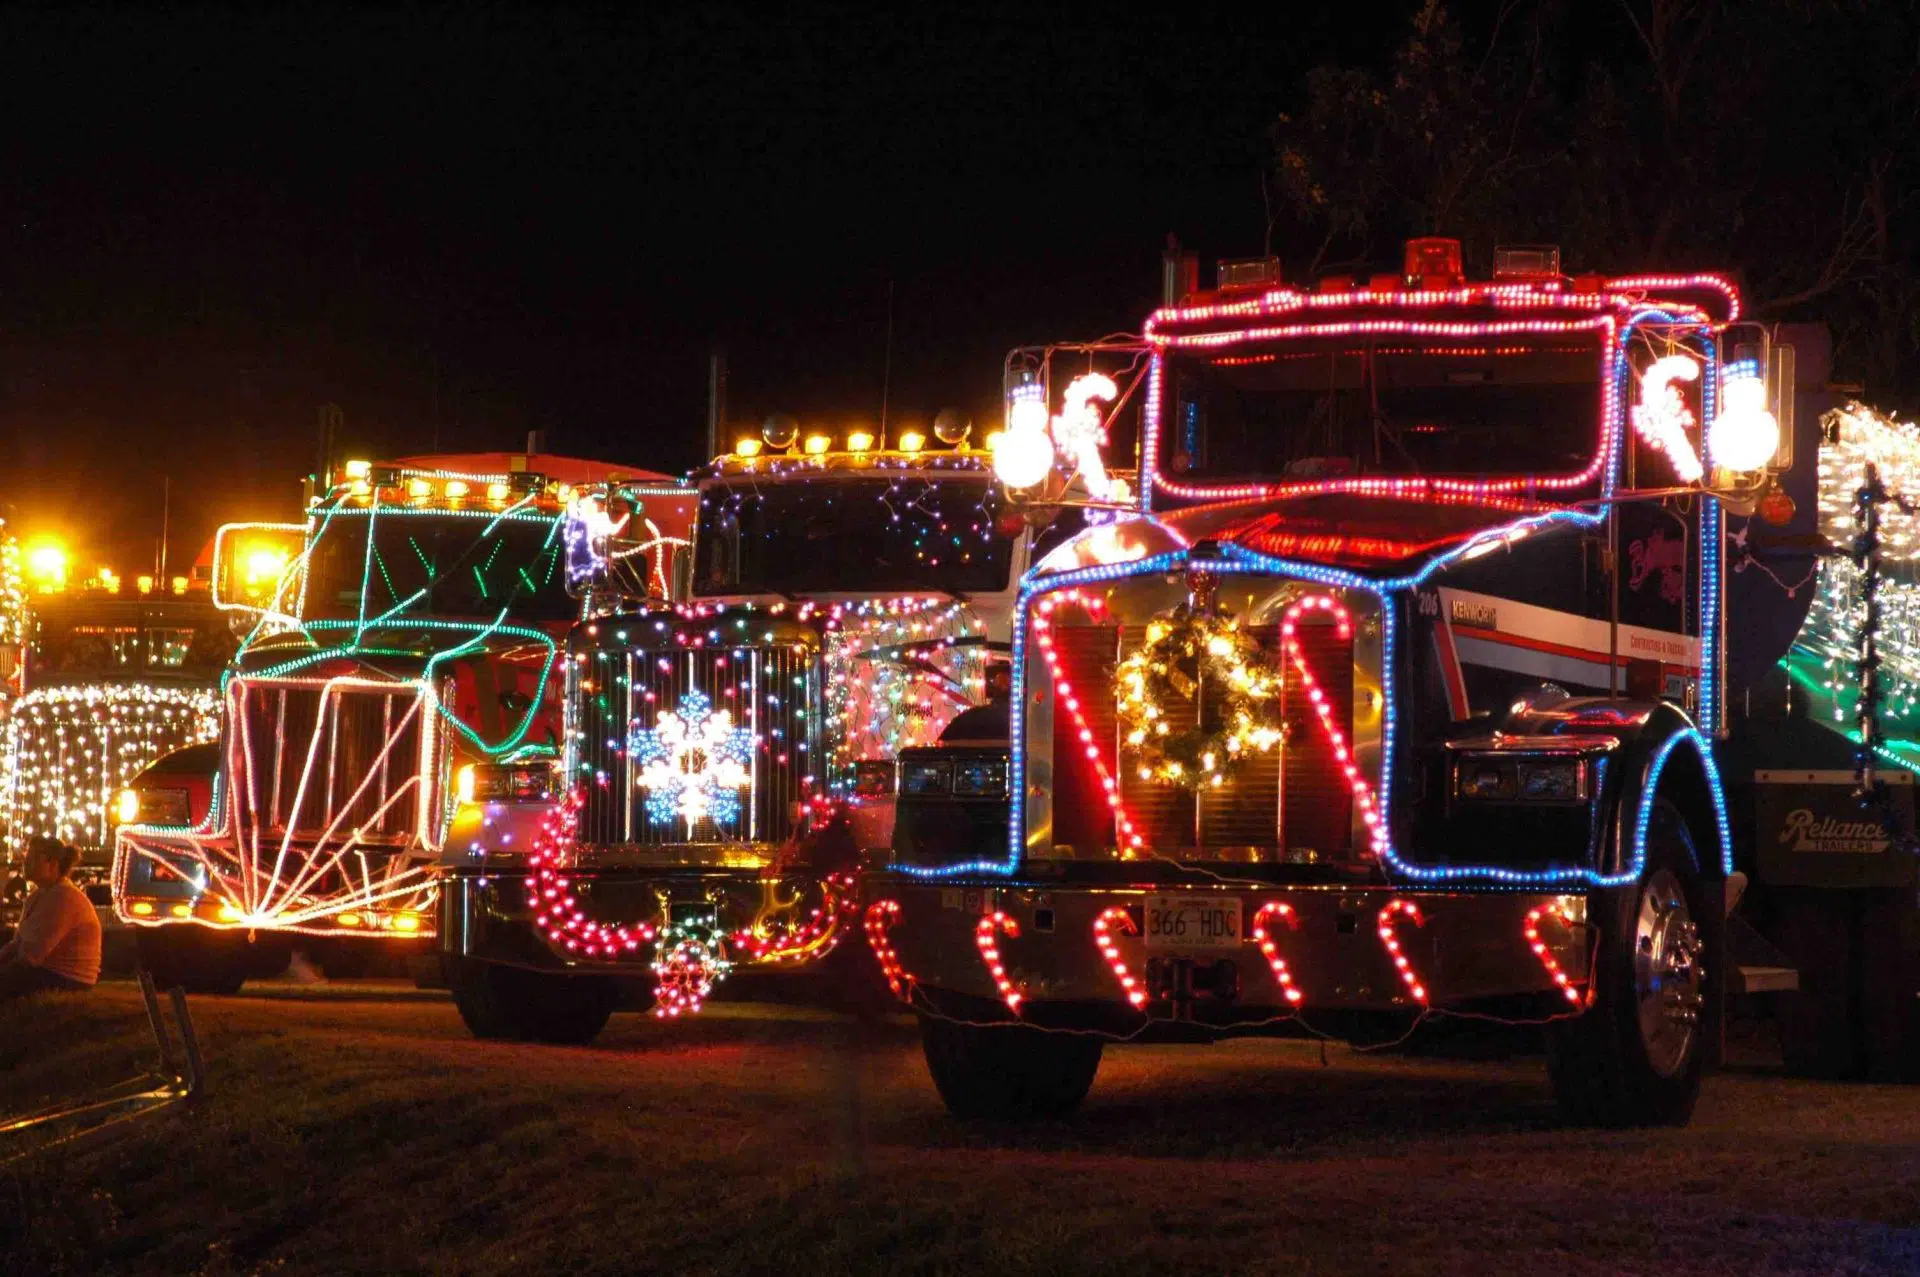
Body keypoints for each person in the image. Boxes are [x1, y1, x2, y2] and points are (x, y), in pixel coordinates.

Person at [0, 836, 103, 1000]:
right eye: (26, 857)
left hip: (67, 978)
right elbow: (17, 944)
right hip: (45, 971)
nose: (25, 863)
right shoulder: (37, 896)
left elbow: (32, 956)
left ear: (53, 864)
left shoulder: (64, 897)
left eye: (33, 858)